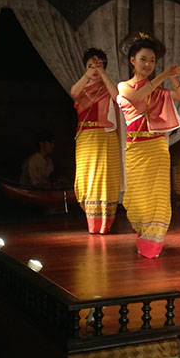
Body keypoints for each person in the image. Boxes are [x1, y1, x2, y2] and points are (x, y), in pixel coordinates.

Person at [117, 32, 180, 258]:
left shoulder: (157, 89)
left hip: (157, 147)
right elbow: (139, 96)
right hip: (136, 149)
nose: (148, 64)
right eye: (143, 59)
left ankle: (153, 243)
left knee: (157, 197)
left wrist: (174, 77)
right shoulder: (123, 86)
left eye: (152, 61)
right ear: (132, 60)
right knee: (137, 198)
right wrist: (163, 75)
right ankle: (142, 232)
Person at [70, 48, 121, 234]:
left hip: (106, 136)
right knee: (87, 179)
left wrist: (103, 74)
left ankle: (105, 223)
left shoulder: (107, 87)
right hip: (86, 136)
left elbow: (117, 98)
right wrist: (88, 74)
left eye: (97, 66)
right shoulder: (81, 88)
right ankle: (92, 221)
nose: (93, 69)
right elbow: (74, 93)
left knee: (106, 179)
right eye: (90, 65)